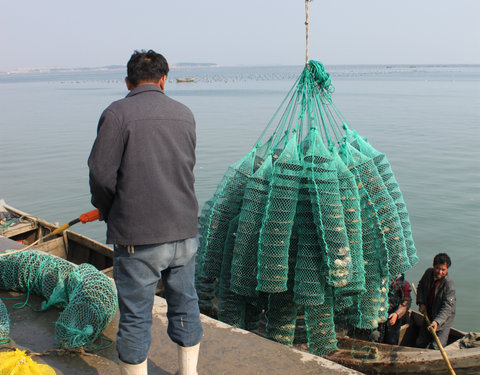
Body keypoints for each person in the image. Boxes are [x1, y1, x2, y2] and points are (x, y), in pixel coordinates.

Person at [88, 50, 202, 375]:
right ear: (164, 80)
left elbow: (100, 174)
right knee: (185, 303)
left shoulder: (117, 113)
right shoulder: (185, 114)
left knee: (136, 314)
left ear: (128, 81)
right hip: (184, 230)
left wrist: (107, 209)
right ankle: (188, 372)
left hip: (138, 237)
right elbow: (184, 167)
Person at [415, 253, 455, 349]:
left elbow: (447, 307)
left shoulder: (449, 284)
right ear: (433, 266)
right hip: (428, 313)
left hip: (443, 320)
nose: (440, 272)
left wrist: (437, 322)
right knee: (420, 343)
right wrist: (421, 303)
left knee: (436, 347)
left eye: (443, 270)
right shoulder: (428, 273)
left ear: (447, 269)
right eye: (438, 268)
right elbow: (420, 287)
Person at [377, 273, 412, 345]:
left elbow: (406, 302)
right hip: (378, 314)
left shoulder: (404, 284)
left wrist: (397, 314)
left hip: (394, 315)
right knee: (376, 337)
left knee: (392, 339)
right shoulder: (378, 279)